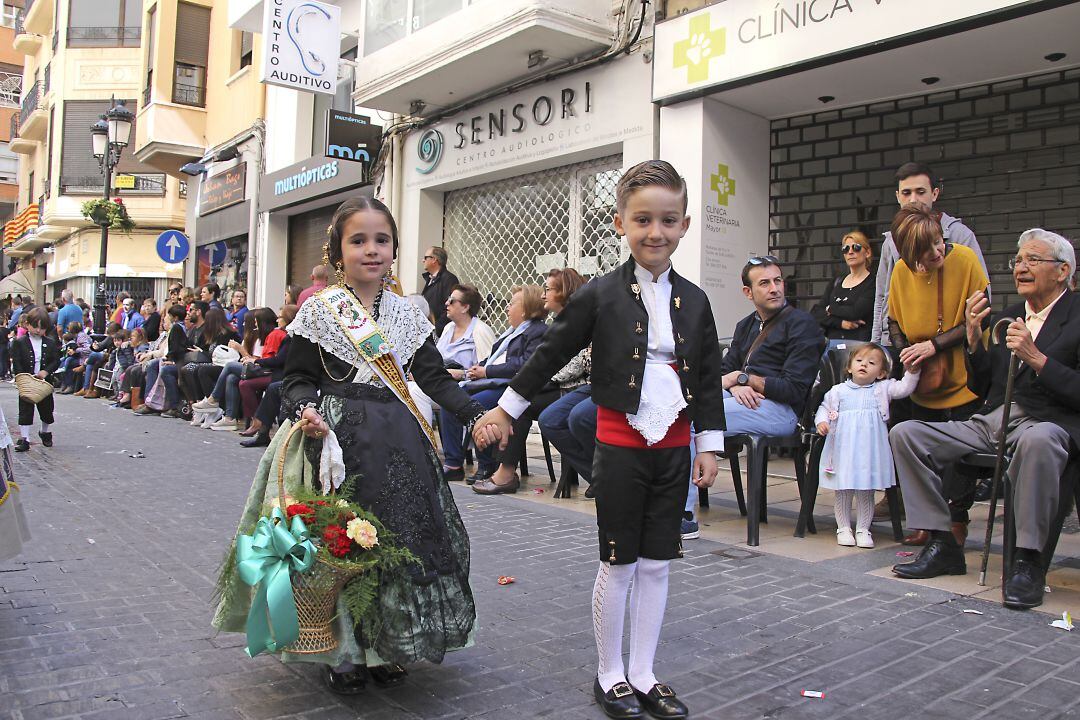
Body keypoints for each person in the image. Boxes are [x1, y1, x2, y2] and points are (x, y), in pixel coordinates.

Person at [474, 160, 725, 720]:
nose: (655, 232)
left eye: (667, 220)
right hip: (619, 442)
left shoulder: (698, 302)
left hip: (674, 446)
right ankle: (609, 672)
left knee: (660, 561)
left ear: (684, 225)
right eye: (642, 220)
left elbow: (707, 376)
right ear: (620, 223)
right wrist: (507, 408)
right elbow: (551, 353)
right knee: (620, 560)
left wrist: (708, 443)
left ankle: (645, 671)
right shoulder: (600, 294)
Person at [269, 196, 486, 692]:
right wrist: (304, 408)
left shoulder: (408, 316)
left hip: (398, 439)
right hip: (337, 441)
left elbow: (432, 377)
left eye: (382, 240)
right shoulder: (321, 312)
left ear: (394, 248)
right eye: (359, 240)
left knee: (397, 541)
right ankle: (343, 652)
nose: (372, 250)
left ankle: (384, 645)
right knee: (341, 543)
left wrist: (473, 414)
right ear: (338, 249)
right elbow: (298, 378)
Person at [891, 228, 1079, 610]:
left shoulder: (1077, 315)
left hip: (1047, 423)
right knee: (906, 433)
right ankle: (942, 541)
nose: (1021, 268)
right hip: (993, 419)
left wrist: (1037, 359)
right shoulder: (1008, 316)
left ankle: (1027, 562)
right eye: (1018, 261)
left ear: (1062, 272)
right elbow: (982, 386)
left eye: (1032, 260)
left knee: (1037, 441)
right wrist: (974, 343)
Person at [886, 204, 990, 546]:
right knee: (922, 451)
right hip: (924, 378)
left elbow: (980, 318)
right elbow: (894, 320)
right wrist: (905, 352)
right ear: (910, 257)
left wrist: (932, 345)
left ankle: (957, 519)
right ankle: (928, 522)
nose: (937, 252)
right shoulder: (901, 271)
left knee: (960, 456)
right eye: (926, 251)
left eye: (938, 242)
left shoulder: (965, 260)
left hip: (963, 373)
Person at [473, 268, 589, 494]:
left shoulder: (579, 321)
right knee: (514, 402)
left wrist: (538, 376)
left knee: (520, 406)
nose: (543, 295)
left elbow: (575, 364)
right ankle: (498, 469)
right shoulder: (559, 323)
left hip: (571, 387)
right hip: (554, 386)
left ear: (563, 292)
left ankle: (505, 473)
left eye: (548, 289)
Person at [438, 285, 547, 485]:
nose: (507, 308)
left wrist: (486, 371)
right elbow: (492, 359)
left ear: (525, 309)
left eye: (512, 303)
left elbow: (524, 365)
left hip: (513, 388)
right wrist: (475, 369)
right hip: (494, 383)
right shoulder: (511, 333)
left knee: (474, 405)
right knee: (452, 402)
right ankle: (453, 464)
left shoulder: (537, 331)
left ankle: (487, 464)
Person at [871, 161, 987, 347]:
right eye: (906, 193)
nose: (913, 199)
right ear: (898, 196)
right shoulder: (891, 242)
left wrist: (937, 344)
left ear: (934, 193)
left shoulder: (960, 236)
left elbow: (981, 300)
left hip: (953, 344)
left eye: (920, 191)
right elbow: (882, 297)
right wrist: (877, 345)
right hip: (901, 344)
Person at [815, 343, 919, 548]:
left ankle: (863, 528)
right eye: (859, 361)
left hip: (869, 452)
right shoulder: (838, 391)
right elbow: (824, 408)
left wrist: (912, 372)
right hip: (844, 451)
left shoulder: (882, 389)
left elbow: (904, 388)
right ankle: (843, 527)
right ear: (850, 367)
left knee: (866, 490)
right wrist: (822, 422)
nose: (864, 365)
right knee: (843, 489)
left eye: (871, 363)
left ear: (881, 373)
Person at [720, 257, 825, 437]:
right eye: (764, 283)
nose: (774, 289)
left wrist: (744, 378)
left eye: (777, 281)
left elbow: (794, 389)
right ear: (748, 292)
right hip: (743, 400)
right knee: (681, 408)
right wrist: (736, 387)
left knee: (695, 416)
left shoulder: (801, 324)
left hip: (782, 411)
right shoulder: (745, 325)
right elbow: (724, 372)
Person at [409, 284, 495, 426]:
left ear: (465, 307)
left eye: (452, 300)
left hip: (460, 387)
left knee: (416, 391)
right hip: (439, 380)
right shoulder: (449, 328)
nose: (446, 303)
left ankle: (425, 440)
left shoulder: (480, 331)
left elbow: (488, 369)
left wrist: (461, 373)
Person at [236, 305, 298, 445]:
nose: (277, 319)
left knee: (272, 387)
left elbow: (279, 360)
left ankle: (259, 426)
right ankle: (261, 429)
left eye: (280, 316)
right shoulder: (287, 335)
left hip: (291, 375)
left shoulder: (289, 336)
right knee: (269, 387)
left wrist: (256, 360)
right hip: (284, 373)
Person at [811, 230, 874, 346]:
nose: (850, 252)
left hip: (859, 350)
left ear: (868, 252)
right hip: (831, 349)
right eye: (846, 249)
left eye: (856, 247)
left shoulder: (872, 282)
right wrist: (840, 322)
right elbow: (816, 312)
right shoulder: (836, 281)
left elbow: (856, 312)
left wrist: (830, 309)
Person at [10, 308, 60, 452]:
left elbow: (55, 361)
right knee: (25, 410)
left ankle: (44, 431)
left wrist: (46, 371)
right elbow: (17, 361)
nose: (38, 330)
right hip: (26, 381)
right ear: (27, 324)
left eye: (42, 327)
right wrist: (21, 376)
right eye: (35, 326)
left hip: (44, 383)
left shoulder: (50, 343)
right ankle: (25, 438)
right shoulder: (20, 342)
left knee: (47, 409)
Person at [421, 246, 460, 335]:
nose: (423, 260)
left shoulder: (449, 279)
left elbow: (450, 307)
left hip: (439, 333)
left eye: (425, 257)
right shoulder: (430, 278)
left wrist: (436, 329)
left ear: (434, 259)